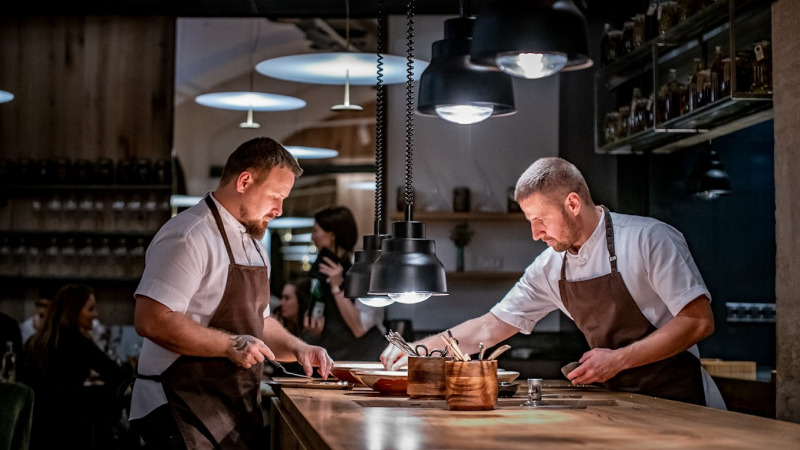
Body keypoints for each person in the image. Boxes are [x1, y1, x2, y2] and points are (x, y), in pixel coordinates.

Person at [381, 157, 726, 409]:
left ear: (573, 203)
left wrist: (619, 359)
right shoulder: (550, 267)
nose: (534, 234)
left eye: (540, 220)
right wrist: (416, 350)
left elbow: (697, 321)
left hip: (683, 401)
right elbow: (491, 326)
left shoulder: (649, 238)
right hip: (623, 405)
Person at [129, 137, 334, 449]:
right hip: (176, 410)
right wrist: (230, 345)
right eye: (275, 197)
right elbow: (152, 320)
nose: (280, 210)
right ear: (245, 181)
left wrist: (299, 349)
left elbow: (260, 323)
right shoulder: (188, 235)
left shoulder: (254, 245)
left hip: (231, 411)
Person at [19, 284, 131, 450]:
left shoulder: (35, 341)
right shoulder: (76, 341)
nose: (96, 314)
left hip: (34, 429)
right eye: (91, 309)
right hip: (67, 430)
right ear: (75, 311)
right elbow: (119, 376)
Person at [300, 206, 387, 362]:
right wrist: (313, 329)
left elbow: (359, 328)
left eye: (316, 231)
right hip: (334, 359)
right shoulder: (320, 271)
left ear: (331, 235)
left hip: (366, 358)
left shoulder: (362, 270)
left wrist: (337, 287)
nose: (312, 237)